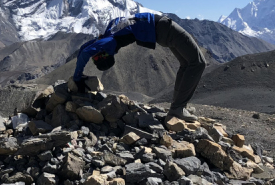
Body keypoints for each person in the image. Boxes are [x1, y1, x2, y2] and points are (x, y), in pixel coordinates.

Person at [72, 12, 206, 122]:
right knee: (197, 63)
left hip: (163, 28)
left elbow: (84, 51)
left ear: (105, 54)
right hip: (164, 28)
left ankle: (179, 106)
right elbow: (85, 49)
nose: (96, 54)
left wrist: (78, 77)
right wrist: (78, 75)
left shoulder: (108, 42)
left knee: (189, 63)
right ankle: (178, 108)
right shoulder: (110, 31)